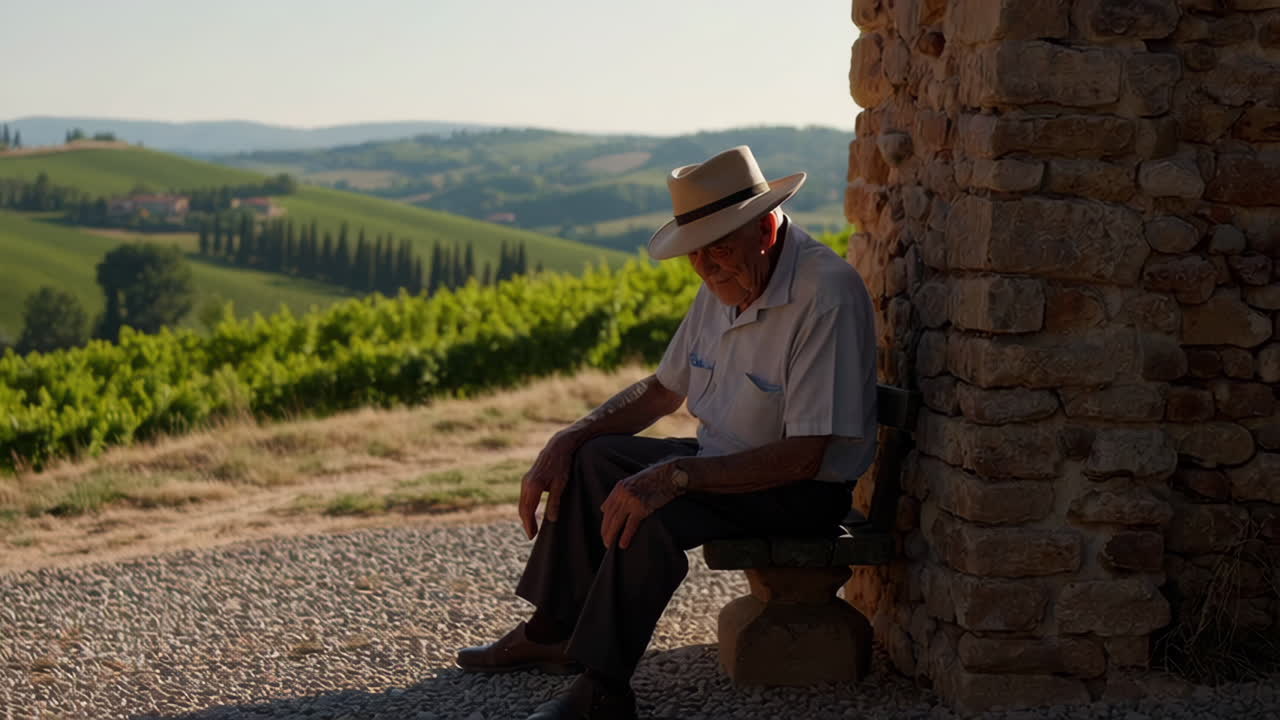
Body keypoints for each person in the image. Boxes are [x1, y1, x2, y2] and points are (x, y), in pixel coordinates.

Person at [455, 145, 878, 720]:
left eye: (720, 247)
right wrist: (571, 436)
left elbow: (806, 456)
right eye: (695, 254)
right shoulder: (725, 277)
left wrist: (676, 477)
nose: (706, 267)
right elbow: (661, 390)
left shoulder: (824, 293)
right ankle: (553, 630)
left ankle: (604, 688)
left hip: (799, 488)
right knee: (594, 458)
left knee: (653, 510)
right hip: (726, 459)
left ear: (768, 225)